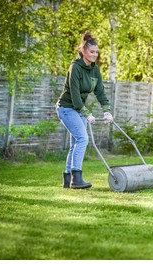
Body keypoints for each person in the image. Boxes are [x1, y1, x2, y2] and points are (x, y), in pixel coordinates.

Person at [56, 30, 113, 189]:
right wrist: (87, 114)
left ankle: (68, 180)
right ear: (83, 51)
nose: (95, 55)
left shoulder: (95, 70)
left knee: (76, 143)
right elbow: (75, 98)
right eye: (92, 51)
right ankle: (76, 179)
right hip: (66, 108)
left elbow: (100, 92)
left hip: (77, 109)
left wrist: (106, 110)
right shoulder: (75, 68)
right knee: (83, 139)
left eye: (97, 52)